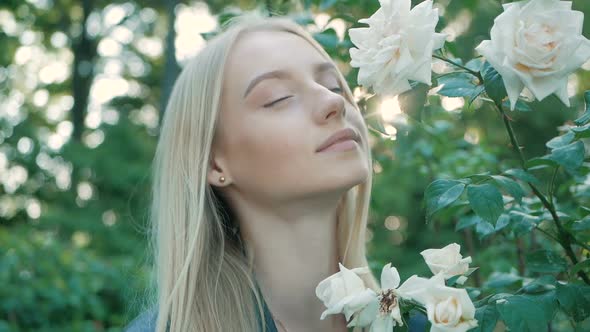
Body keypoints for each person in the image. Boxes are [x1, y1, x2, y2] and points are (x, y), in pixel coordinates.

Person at [126, 9, 426, 332]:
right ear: (214, 163)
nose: (333, 102)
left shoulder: (418, 323)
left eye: (334, 86)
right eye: (278, 98)